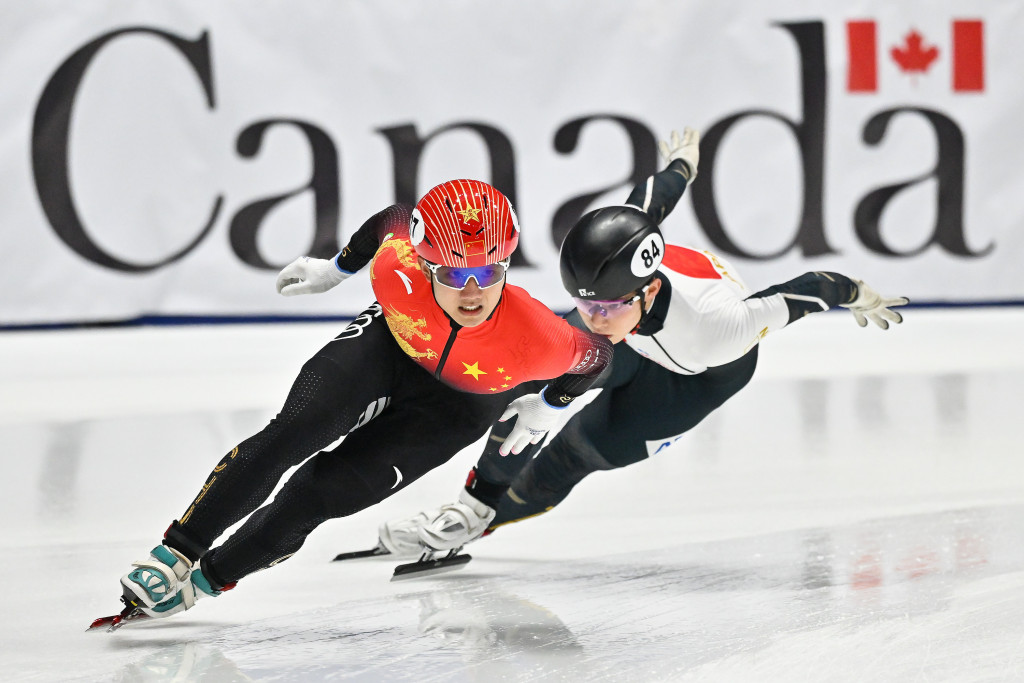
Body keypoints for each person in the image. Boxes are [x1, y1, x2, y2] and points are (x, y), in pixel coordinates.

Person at [371, 128, 909, 558]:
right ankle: (469, 507)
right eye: (583, 305)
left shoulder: (719, 330)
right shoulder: (616, 274)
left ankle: (484, 524)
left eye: (605, 307)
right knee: (529, 389)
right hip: (643, 337)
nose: (594, 319)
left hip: (691, 379)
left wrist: (859, 294)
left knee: (578, 448)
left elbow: (810, 289)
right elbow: (651, 201)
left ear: (648, 288)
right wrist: (683, 167)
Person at [116, 179, 613, 619]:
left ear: (506, 265)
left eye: (486, 274)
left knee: (321, 494)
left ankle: (209, 581)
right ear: (422, 263)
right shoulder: (398, 267)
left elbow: (597, 356)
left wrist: (552, 405)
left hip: (457, 406)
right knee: (292, 432)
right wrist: (338, 268)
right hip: (388, 348)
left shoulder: (539, 336)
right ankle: (175, 554)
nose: (470, 292)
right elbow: (391, 220)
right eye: (451, 275)